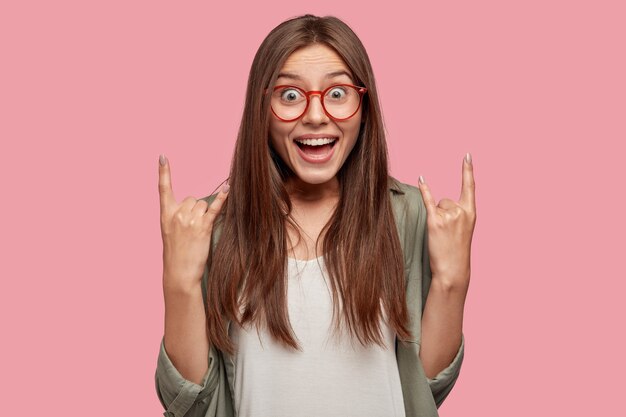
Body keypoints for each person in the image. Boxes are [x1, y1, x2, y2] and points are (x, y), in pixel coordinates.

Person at [155, 13, 475, 417]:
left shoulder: (411, 216)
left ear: (365, 105)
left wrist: (453, 280)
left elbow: (422, 387)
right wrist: (179, 283)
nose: (316, 115)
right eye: (290, 95)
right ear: (262, 107)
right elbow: (193, 404)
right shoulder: (211, 226)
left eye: (338, 92)